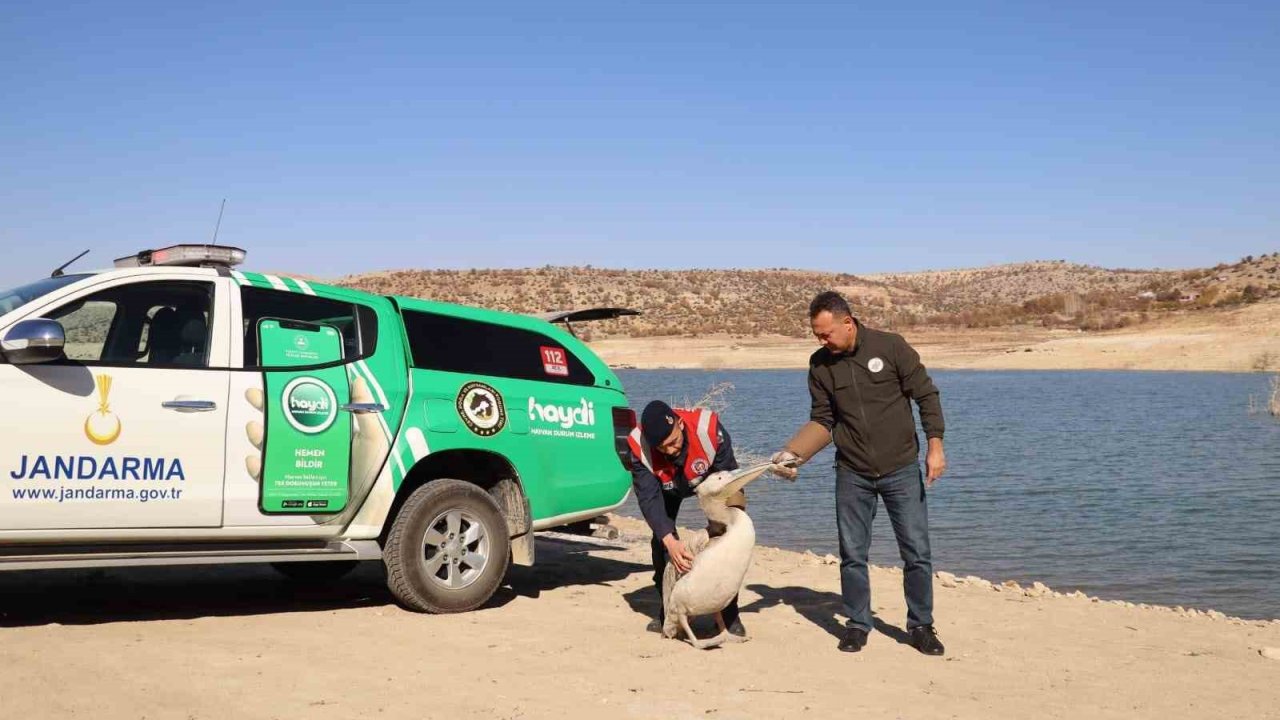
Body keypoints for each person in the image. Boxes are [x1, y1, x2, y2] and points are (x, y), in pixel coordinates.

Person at [771, 291, 948, 655]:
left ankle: (921, 626)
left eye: (826, 334)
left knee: (916, 552)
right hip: (852, 472)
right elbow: (823, 420)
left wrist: (935, 445)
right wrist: (794, 453)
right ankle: (856, 624)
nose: (822, 341)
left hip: (900, 468)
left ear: (847, 323)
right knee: (853, 553)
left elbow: (926, 396)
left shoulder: (891, 347)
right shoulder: (820, 365)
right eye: (817, 335)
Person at [627, 399, 746, 636]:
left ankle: (729, 613)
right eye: (662, 447)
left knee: (727, 540)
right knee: (662, 542)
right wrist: (669, 540)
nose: (670, 450)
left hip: (709, 477)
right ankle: (668, 612)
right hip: (666, 485)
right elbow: (649, 499)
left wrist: (734, 522)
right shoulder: (638, 447)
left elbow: (730, 482)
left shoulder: (710, 431)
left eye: (672, 442)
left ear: (680, 424)